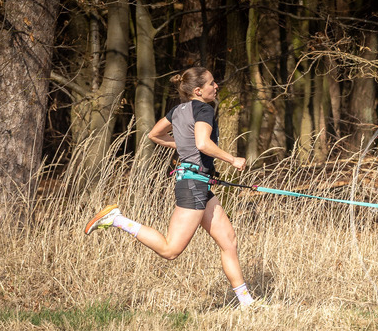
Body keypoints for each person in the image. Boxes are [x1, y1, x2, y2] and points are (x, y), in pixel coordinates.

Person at [85, 67, 256, 307]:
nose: (216, 86)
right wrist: (232, 159)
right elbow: (203, 143)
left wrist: (184, 146)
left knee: (228, 242)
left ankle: (247, 303)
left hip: (199, 182)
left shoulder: (178, 110)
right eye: (212, 83)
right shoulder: (204, 109)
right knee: (170, 250)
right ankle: (117, 219)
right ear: (198, 90)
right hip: (193, 185)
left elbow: (154, 135)